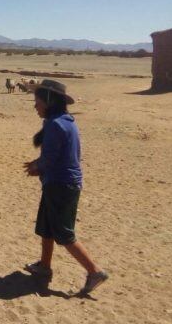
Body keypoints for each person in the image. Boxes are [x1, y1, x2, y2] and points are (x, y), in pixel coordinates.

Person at [23, 80, 108, 295]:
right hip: (61, 182)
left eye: (37, 101)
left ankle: (94, 271)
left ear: (49, 102)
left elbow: (50, 158)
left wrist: (37, 166)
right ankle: (44, 267)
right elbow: (56, 154)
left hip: (60, 184)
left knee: (63, 233)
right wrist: (39, 164)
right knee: (47, 227)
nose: (35, 106)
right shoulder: (65, 121)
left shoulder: (54, 124)